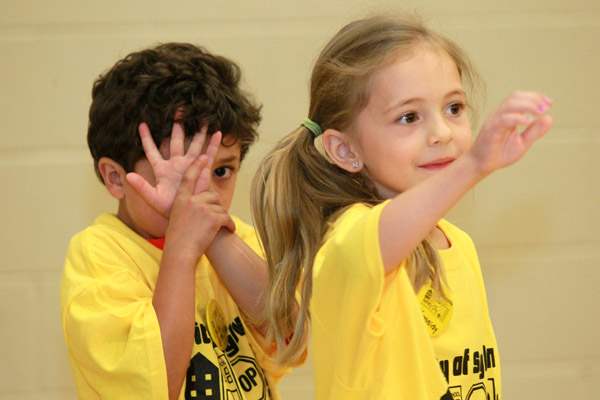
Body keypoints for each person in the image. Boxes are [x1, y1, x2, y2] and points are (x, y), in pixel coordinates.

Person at [251, 15, 553, 399]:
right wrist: (474, 165)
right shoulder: (347, 241)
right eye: (409, 117)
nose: (442, 133)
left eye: (454, 108)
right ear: (345, 149)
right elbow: (382, 237)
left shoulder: (457, 243)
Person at [61, 43, 284, 400]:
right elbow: (155, 384)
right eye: (179, 179)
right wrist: (182, 246)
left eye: (222, 170)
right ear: (115, 178)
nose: (202, 192)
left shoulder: (235, 237)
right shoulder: (98, 254)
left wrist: (210, 236)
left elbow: (286, 332)